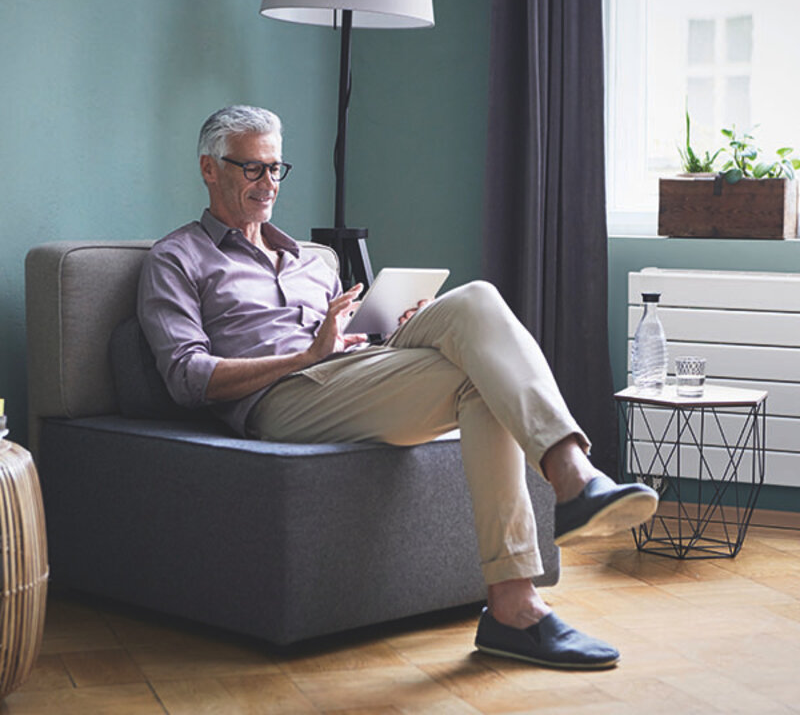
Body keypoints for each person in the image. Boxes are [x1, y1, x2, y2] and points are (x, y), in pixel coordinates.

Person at [138, 104, 658, 670]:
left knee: (476, 306)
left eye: (275, 169)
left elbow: (352, 346)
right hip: (281, 400)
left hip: (348, 377)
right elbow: (187, 378)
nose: (268, 184)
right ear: (209, 169)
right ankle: (566, 495)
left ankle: (518, 598)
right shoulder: (176, 258)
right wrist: (307, 355)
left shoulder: (315, 260)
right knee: (479, 363)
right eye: (251, 169)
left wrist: (395, 332)